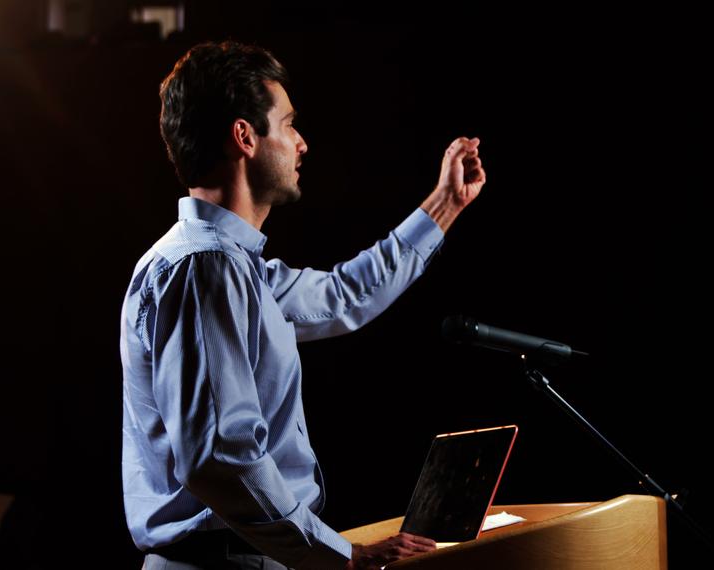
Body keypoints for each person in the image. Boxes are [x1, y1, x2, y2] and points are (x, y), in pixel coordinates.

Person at [119, 41, 485, 570]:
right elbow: (223, 457)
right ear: (244, 136)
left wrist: (446, 203)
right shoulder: (204, 268)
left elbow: (344, 295)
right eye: (288, 124)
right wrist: (342, 557)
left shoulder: (233, 268)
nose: (302, 143)